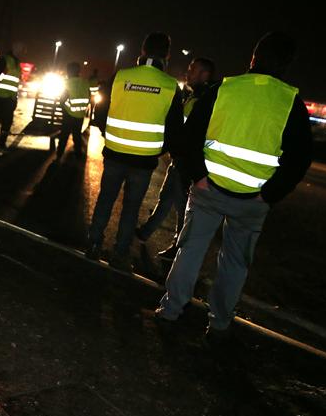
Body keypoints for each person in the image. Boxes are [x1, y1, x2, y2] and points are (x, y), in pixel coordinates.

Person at [156, 32, 312, 336]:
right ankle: (219, 322)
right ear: (286, 65)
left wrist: (198, 176)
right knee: (235, 263)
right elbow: (299, 159)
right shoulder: (291, 103)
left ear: (253, 59)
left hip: (208, 190)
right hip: (252, 201)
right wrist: (268, 194)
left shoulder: (223, 89)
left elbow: (188, 139)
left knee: (190, 250)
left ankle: (170, 311)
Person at [85, 32, 184, 271]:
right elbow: (174, 130)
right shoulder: (170, 86)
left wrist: (110, 135)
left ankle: (93, 245)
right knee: (131, 208)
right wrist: (159, 149)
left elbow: (100, 110)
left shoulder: (120, 76)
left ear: (142, 51)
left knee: (105, 200)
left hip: (115, 153)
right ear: (167, 55)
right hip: (144, 160)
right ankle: (119, 255)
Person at [136, 57, 217, 260]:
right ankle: (145, 232)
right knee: (167, 197)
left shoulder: (205, 101)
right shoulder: (193, 96)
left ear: (205, 74)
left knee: (183, 207)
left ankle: (177, 249)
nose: (188, 72)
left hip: (188, 162)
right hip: (179, 159)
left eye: (193, 69)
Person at [0, 47, 21, 155]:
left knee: (7, 123)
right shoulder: (4, 60)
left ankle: (1, 144)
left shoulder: (17, 63)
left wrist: (14, 98)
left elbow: (15, 83)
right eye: (22, 50)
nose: (23, 52)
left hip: (10, 99)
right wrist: (3, 74)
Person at [56, 61, 91, 161]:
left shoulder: (67, 82)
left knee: (64, 135)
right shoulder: (85, 82)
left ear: (69, 71)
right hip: (80, 115)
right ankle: (78, 155)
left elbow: (62, 99)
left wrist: (64, 109)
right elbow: (89, 97)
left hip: (68, 114)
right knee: (77, 135)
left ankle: (59, 155)